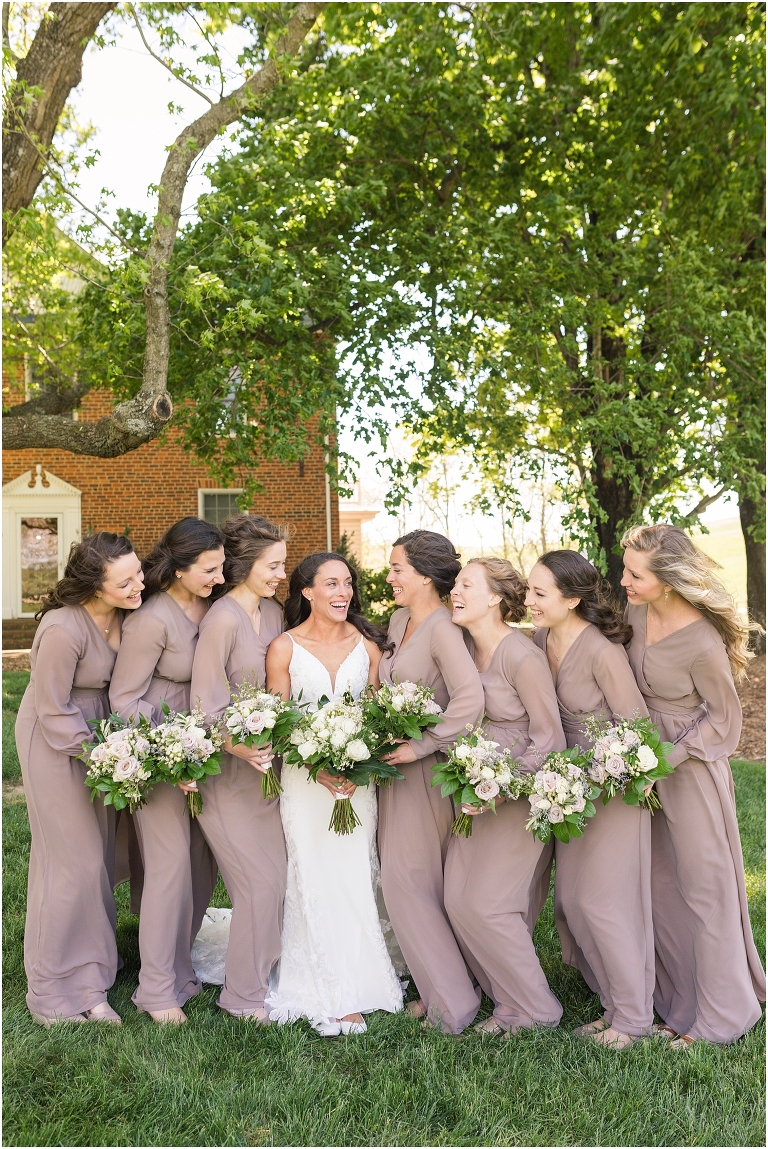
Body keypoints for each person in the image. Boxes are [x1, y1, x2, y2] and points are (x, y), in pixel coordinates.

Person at [621, 523, 766, 1047]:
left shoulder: (702, 641)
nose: (625, 582)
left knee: (705, 891)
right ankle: (681, 1002)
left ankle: (724, 1015)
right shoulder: (636, 613)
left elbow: (725, 722)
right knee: (660, 887)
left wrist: (670, 755)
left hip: (691, 772)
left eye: (635, 575)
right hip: (641, 765)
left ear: (668, 579)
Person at [264, 553, 403, 1036]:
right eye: (331, 584)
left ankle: (364, 972)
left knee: (354, 872)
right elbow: (278, 725)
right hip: (304, 783)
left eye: (347, 583)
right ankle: (327, 985)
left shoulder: (369, 647)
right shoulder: (283, 648)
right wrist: (317, 766)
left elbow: (379, 719)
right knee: (313, 873)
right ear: (307, 592)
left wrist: (357, 763)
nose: (342, 592)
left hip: (356, 782)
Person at [15, 533, 144, 1026]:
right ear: (95, 584)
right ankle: (55, 993)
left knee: (100, 859)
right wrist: (104, 755)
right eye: (125, 581)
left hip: (103, 742)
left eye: (137, 573)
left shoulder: (129, 614)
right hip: (57, 742)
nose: (138, 586)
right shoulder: (63, 629)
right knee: (74, 863)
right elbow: (52, 708)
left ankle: (92, 979)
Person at [527, 550, 654, 1049]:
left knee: (601, 903)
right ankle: (612, 1002)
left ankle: (634, 1018)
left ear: (572, 599)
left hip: (614, 790)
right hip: (567, 791)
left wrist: (609, 772)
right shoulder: (539, 640)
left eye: (540, 594)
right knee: (572, 904)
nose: (529, 601)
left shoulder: (602, 651)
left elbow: (638, 728)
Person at [110, 518, 225, 1024]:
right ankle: (155, 989)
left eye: (222, 568)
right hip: (162, 757)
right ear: (178, 569)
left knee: (202, 864)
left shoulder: (212, 608)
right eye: (209, 569)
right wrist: (171, 739)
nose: (219, 578)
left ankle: (179, 969)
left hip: (206, 755)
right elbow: (123, 698)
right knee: (170, 866)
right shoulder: (152, 619)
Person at [444, 557, 565, 1035]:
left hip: (516, 797)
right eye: (455, 584)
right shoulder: (464, 650)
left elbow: (549, 736)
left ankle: (538, 1008)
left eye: (466, 585)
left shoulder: (521, 655)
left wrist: (503, 784)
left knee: (488, 905)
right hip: (473, 792)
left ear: (495, 598)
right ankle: (507, 1003)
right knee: (457, 898)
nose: (455, 591)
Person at [378, 530, 484, 1035]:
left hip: (423, 773)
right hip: (391, 771)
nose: (390, 576)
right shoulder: (399, 620)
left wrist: (421, 745)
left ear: (424, 575)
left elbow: (469, 700)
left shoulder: (443, 628)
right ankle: (436, 985)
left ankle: (452, 1003)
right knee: (409, 882)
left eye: (398, 568)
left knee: (408, 884)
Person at [190, 514, 288, 1021]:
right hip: (226, 777)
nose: (280, 575)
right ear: (245, 565)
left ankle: (262, 971)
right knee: (258, 884)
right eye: (273, 565)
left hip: (267, 776)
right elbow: (205, 705)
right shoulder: (221, 619)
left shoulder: (272, 615)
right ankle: (241, 997)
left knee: (278, 879)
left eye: (284, 565)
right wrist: (239, 746)